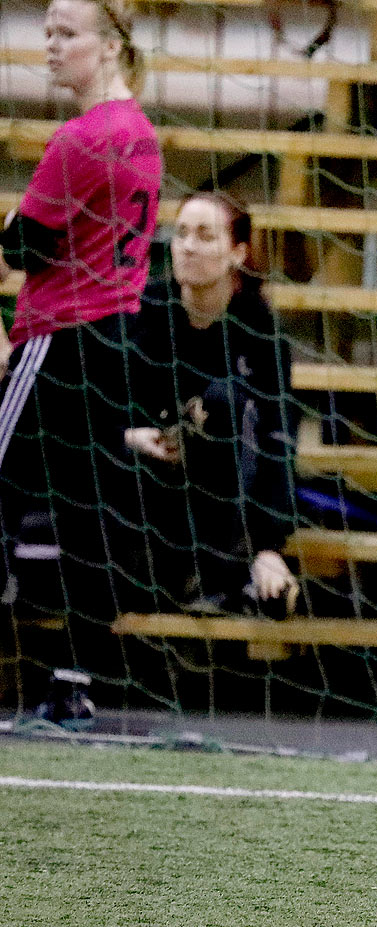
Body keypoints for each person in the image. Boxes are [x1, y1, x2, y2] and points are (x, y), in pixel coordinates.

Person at [0, 0, 160, 727]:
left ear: (110, 45)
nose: (52, 46)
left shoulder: (83, 137)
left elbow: (20, 249)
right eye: (48, 34)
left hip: (60, 339)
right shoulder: (143, 134)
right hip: (114, 341)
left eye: (67, 35)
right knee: (90, 515)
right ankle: (73, 681)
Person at [126, 194, 299, 619]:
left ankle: (237, 569)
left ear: (238, 252)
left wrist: (269, 547)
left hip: (226, 492)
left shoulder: (260, 331)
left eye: (206, 236)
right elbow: (107, 405)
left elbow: (278, 439)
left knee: (224, 403)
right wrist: (130, 434)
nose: (187, 246)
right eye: (181, 233)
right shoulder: (145, 312)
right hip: (148, 482)